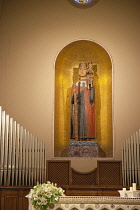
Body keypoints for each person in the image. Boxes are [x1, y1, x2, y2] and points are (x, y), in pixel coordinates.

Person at [70, 62, 96, 140]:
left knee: (88, 122)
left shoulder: (90, 83)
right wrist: (75, 95)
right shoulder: (75, 84)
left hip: (87, 106)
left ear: (87, 71)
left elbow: (92, 98)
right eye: (80, 69)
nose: (82, 71)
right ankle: (79, 138)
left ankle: (88, 138)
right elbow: (72, 100)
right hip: (79, 106)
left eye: (84, 69)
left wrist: (91, 87)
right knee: (79, 122)